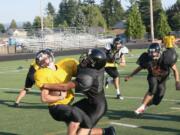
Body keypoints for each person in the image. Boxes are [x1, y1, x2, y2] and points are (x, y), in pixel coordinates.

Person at [34, 48, 116, 135]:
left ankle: (107, 132)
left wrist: (45, 85)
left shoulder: (87, 77)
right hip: (88, 102)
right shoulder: (90, 67)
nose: (85, 59)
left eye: (88, 59)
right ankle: (107, 132)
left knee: (82, 129)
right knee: (76, 122)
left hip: (97, 106)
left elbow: (64, 87)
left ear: (93, 63)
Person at [125, 43, 180, 115]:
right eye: (151, 52)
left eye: (154, 52)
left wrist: (177, 82)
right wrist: (130, 75)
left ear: (159, 51)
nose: (152, 54)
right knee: (153, 88)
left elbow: (175, 70)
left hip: (163, 79)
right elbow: (139, 68)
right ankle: (142, 106)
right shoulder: (147, 58)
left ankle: (145, 106)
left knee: (157, 101)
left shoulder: (167, 57)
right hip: (152, 76)